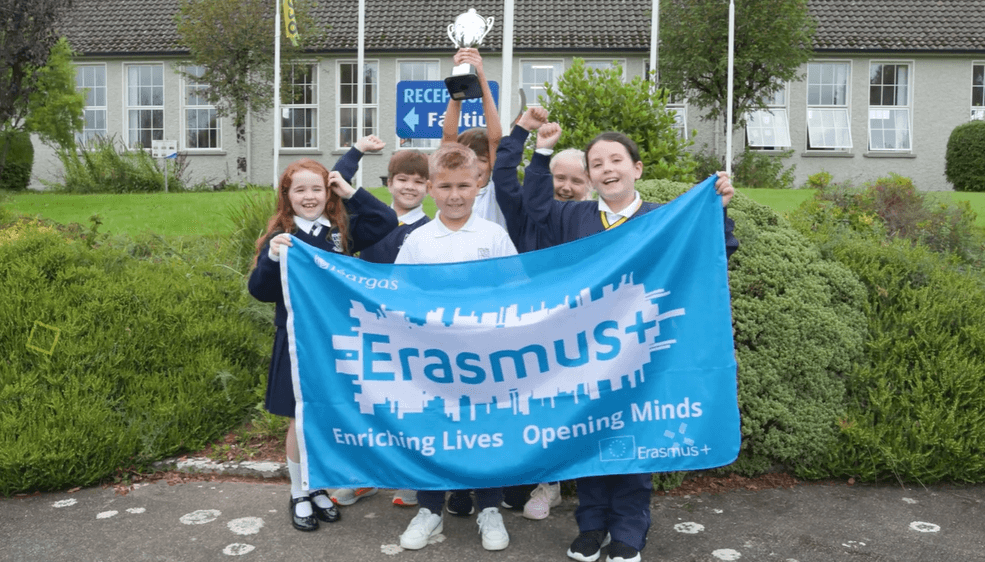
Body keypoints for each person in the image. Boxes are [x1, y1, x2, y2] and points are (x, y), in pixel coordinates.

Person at [498, 113, 738, 562]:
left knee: (635, 441)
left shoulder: (663, 220)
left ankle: (629, 532)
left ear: (636, 168)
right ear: (589, 177)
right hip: (585, 355)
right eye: (597, 163)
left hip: (643, 355)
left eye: (616, 160)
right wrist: (542, 149)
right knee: (589, 438)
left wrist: (716, 211)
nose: (607, 168)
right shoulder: (574, 216)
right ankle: (591, 526)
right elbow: (533, 204)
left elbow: (714, 254)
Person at [247, 156, 397, 532]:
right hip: (297, 342)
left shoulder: (339, 230)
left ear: (327, 193)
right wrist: (271, 258)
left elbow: (386, 221)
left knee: (328, 415)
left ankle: (318, 489)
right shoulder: (282, 237)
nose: (309, 196)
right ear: (287, 196)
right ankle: (298, 492)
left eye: (317, 189)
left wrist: (351, 191)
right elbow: (259, 291)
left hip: (336, 342)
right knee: (300, 420)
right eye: (300, 190)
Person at [394, 143, 516, 552]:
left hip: (484, 359)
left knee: (484, 433)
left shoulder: (495, 237)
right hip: (432, 361)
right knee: (432, 431)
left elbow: (514, 292)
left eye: (464, 185)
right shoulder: (418, 240)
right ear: (430, 188)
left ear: (479, 184)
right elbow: (398, 297)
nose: (455, 195)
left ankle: (489, 508)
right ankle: (430, 509)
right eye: (445, 186)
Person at [331, 149, 432, 509]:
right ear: (388, 183)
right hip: (368, 329)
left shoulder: (430, 232)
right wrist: (355, 151)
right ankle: (364, 477)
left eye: (419, 181)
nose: (410, 187)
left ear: (429, 187)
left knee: (411, 404)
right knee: (368, 404)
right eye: (402, 179)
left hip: (411, 334)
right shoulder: (368, 222)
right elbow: (332, 186)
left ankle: (412, 478)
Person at [441, 47, 505, 233]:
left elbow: (495, 139)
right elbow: (449, 137)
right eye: (468, 159)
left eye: (483, 160)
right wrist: (459, 81)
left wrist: (480, 75)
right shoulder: (453, 192)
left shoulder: (495, 191)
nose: (475, 166)